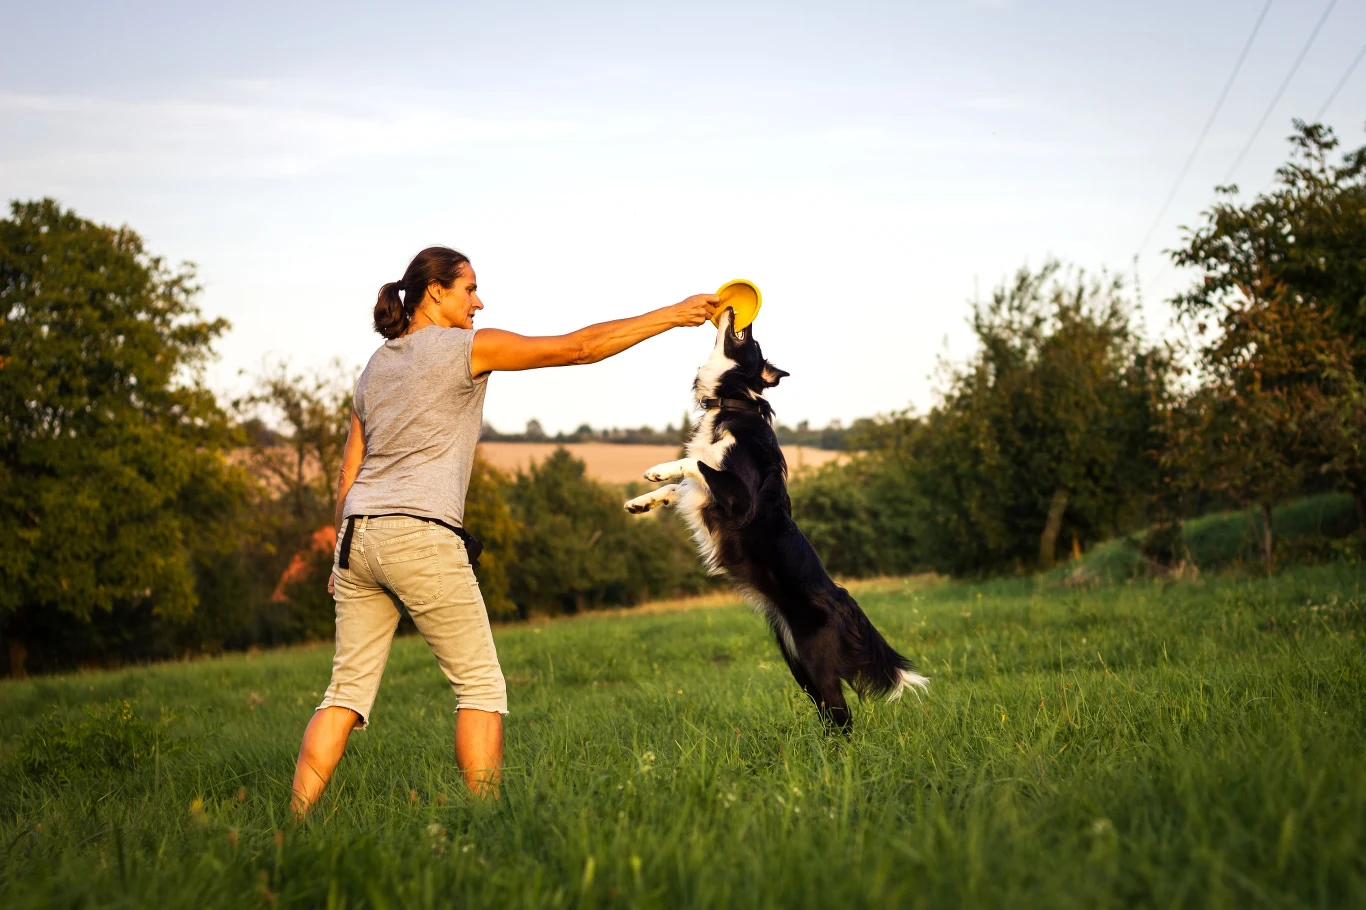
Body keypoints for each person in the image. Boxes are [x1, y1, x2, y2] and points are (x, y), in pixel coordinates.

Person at [289, 246, 717, 815]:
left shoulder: (375, 367)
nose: (479, 302)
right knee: (480, 687)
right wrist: (674, 314)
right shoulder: (466, 348)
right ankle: (485, 821)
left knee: (343, 693)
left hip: (357, 538)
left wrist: (337, 557)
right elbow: (578, 349)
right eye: (469, 289)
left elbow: (350, 467)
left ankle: (294, 823)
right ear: (435, 292)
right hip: (420, 534)